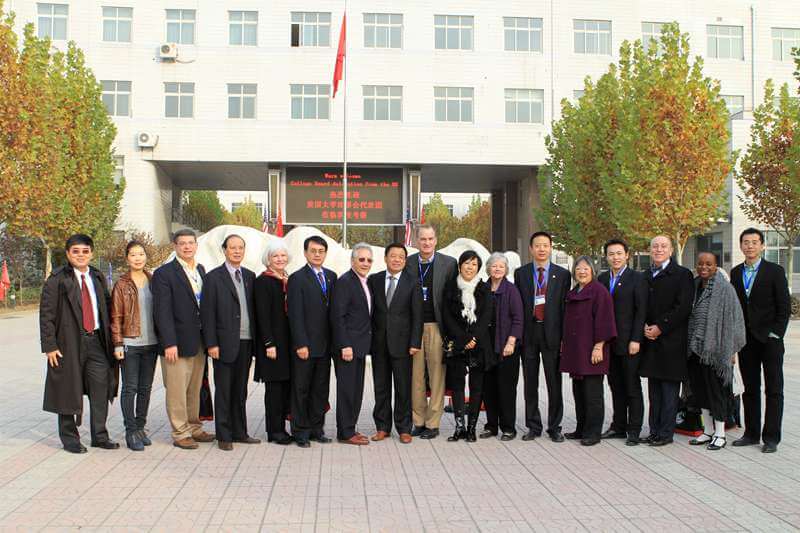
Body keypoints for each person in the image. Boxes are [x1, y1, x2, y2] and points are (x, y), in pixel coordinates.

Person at [40, 234, 120, 453]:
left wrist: (115, 342)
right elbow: (46, 315)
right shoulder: (57, 279)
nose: (81, 255)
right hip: (68, 344)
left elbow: (107, 309)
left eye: (85, 251)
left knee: (101, 388)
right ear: (68, 254)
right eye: (75, 251)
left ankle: (100, 436)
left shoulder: (97, 277)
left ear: (91, 253)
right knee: (68, 389)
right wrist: (50, 346)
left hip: (97, 342)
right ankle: (70, 439)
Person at [152, 229, 215, 449]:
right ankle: (180, 433)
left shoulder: (200, 270)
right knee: (177, 389)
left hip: (198, 340)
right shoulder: (164, 273)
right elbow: (162, 311)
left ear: (196, 245)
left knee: (194, 388)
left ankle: (194, 427)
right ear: (175, 246)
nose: (187, 247)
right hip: (176, 343)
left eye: (191, 243)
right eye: (182, 243)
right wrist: (169, 342)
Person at [730, 228, 791, 453]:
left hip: (770, 341)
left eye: (754, 242)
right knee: (750, 389)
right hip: (746, 341)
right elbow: (736, 308)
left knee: (774, 389)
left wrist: (776, 334)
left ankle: (771, 437)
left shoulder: (775, 271)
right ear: (741, 246)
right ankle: (751, 434)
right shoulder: (736, 272)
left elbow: (784, 306)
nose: (750, 246)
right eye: (746, 242)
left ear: (762, 245)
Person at [201, 234, 260, 450]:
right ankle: (224, 435)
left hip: (246, 341)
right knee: (224, 390)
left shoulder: (250, 276)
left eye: (240, 248)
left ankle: (240, 432)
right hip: (223, 343)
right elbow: (207, 313)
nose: (237, 251)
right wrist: (211, 344)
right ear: (224, 250)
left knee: (240, 390)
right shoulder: (213, 277)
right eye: (232, 248)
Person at [514, 231, 571, 442]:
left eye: (545, 245)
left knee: (554, 382)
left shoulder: (562, 274)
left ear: (550, 248)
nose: (541, 249)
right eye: (537, 245)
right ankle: (533, 425)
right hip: (529, 333)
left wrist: (564, 338)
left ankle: (554, 426)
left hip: (552, 334)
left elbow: (565, 308)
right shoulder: (521, 273)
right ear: (531, 249)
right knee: (530, 382)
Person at [687, 252, 746, 451]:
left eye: (709, 264)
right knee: (700, 391)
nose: (704, 267)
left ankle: (720, 433)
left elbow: (736, 320)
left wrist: (731, 350)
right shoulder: (694, 286)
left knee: (717, 392)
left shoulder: (725, 289)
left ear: (716, 266)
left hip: (716, 350)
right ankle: (707, 430)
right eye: (700, 264)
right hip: (695, 349)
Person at [639, 235, 694, 447]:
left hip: (672, 341)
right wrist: (644, 325)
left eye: (663, 246)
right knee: (654, 391)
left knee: (669, 390)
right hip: (650, 341)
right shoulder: (645, 275)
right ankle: (654, 430)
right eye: (655, 246)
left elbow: (683, 307)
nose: (659, 249)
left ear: (671, 250)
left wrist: (660, 327)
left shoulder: (682, 274)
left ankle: (665, 433)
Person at [405, 225, 457, 439]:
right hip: (413, 327)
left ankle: (433, 423)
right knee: (415, 376)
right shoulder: (408, 262)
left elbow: (453, 298)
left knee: (437, 375)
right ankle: (418, 420)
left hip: (437, 325)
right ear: (416, 241)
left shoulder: (449, 263)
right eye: (422, 239)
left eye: (430, 239)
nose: (426, 243)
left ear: (436, 240)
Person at [367, 243, 423, 444]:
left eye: (401, 256)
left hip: (403, 344)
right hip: (379, 344)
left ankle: (404, 428)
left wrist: (415, 342)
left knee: (403, 388)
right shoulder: (374, 280)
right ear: (385, 258)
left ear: (405, 261)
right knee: (380, 387)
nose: (397, 259)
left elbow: (417, 315)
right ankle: (382, 427)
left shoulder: (413, 282)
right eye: (393, 256)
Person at [561, 257, 617, 446]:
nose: (582, 272)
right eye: (578, 268)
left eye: (586, 268)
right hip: (576, 350)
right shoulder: (573, 292)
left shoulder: (599, 292)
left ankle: (593, 433)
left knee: (593, 394)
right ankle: (581, 428)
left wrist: (599, 346)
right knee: (579, 392)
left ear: (593, 271)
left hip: (592, 350)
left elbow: (605, 320)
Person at [597, 239, 648, 446]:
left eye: (619, 253)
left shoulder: (637, 278)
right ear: (606, 257)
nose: (615, 257)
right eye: (611, 254)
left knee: (632, 387)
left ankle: (634, 429)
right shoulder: (602, 278)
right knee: (615, 386)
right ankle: (618, 426)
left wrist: (636, 339)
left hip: (629, 343)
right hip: (609, 343)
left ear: (627, 255)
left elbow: (641, 311)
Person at [287, 235, 337, 448]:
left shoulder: (331, 276)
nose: (317, 254)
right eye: (313, 251)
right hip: (305, 346)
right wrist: (300, 344)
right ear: (305, 253)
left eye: (321, 251)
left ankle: (317, 429)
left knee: (320, 390)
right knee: (301, 390)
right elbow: (295, 314)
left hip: (325, 346)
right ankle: (301, 432)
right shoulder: (297, 278)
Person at [110, 240, 159, 451]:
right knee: (130, 388)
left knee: (146, 388)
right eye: (133, 255)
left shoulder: (154, 280)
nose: (138, 258)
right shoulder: (122, 284)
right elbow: (116, 316)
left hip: (152, 343)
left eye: (141, 254)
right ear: (127, 258)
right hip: (130, 343)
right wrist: (118, 343)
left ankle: (140, 428)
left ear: (146, 257)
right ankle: (130, 431)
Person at [441, 250, 494, 443]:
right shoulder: (450, 287)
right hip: (457, 343)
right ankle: (459, 427)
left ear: (478, 268)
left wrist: (474, 338)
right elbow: (446, 316)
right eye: (466, 263)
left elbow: (486, 316)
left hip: (479, 345)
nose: (470, 267)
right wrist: (463, 339)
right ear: (460, 265)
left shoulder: (484, 288)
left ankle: (471, 428)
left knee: (476, 386)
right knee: (457, 386)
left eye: (474, 264)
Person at [331, 243, 374, 445]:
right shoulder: (345, 282)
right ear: (352, 261)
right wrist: (344, 345)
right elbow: (337, 316)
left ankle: (350, 427)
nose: (365, 263)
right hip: (348, 347)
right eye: (361, 259)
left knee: (356, 390)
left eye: (369, 260)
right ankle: (345, 432)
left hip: (360, 346)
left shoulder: (365, 282)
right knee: (347, 391)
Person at [254, 240, 294, 445]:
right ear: (268, 259)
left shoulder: (287, 279)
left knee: (286, 387)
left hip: (289, 345)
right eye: (275, 256)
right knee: (274, 391)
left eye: (283, 256)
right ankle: (275, 431)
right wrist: (269, 343)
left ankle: (283, 428)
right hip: (273, 346)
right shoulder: (263, 281)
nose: (280, 259)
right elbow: (262, 316)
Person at [481, 252, 523, 441]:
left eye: (501, 266)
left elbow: (518, 318)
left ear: (506, 270)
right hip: (486, 347)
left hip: (507, 347)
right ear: (488, 268)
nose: (497, 269)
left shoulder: (511, 290)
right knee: (488, 389)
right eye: (494, 265)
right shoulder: (482, 288)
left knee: (506, 389)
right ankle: (491, 426)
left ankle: (508, 428)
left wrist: (511, 341)